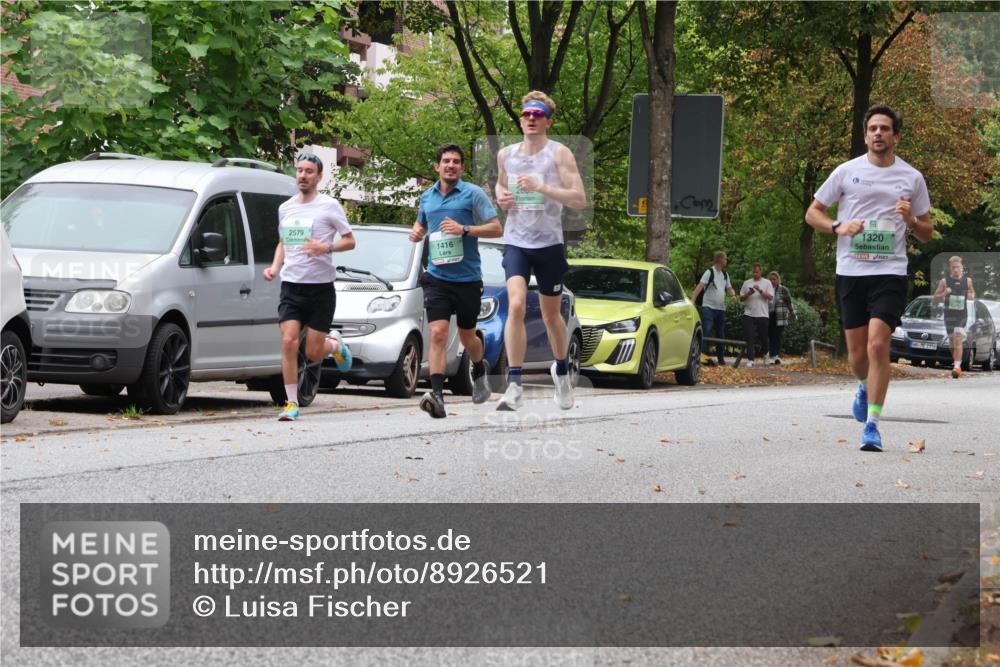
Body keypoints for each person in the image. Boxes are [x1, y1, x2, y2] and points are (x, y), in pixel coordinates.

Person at [806, 104, 933, 452]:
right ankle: (863, 384)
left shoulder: (912, 178)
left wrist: (910, 220)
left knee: (879, 345)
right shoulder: (846, 172)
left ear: (896, 136)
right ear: (865, 135)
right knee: (857, 356)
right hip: (851, 271)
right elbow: (812, 213)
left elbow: (926, 233)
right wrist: (838, 226)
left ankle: (872, 425)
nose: (878, 133)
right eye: (873, 128)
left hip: (889, 272)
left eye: (885, 128)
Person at [494, 90, 588, 411]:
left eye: (537, 115)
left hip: (549, 244)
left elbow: (579, 199)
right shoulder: (506, 154)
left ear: (548, 121)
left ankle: (561, 371)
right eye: (526, 115)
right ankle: (515, 383)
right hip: (517, 241)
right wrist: (501, 197)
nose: (531, 119)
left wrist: (543, 187)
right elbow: (500, 184)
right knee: (516, 305)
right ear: (520, 120)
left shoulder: (559, 154)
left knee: (551, 316)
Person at [410, 144, 503, 418]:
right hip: (437, 278)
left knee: (467, 335)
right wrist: (417, 232)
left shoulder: (473, 194)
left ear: (461, 168)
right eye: (445, 161)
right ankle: (437, 396)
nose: (450, 165)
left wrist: (465, 229)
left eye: (456, 162)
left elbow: (496, 228)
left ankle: (480, 364)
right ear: (437, 167)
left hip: (467, 280)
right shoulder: (427, 197)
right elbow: (423, 225)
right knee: (438, 333)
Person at [263, 152, 356, 421]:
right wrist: (274, 267)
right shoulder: (286, 208)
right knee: (289, 341)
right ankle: (291, 404)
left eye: (309, 171)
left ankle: (335, 345)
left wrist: (324, 246)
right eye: (300, 170)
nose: (303, 175)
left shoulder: (329, 206)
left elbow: (350, 241)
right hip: (291, 285)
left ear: (319, 176)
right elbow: (283, 242)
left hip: (320, 289)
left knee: (313, 352)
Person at [690, 251, 737, 366]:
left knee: (721, 334)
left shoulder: (725, 275)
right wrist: (693, 300)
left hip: (721, 309)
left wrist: (733, 295)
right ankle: (703, 358)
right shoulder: (709, 272)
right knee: (707, 330)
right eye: (725, 259)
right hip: (709, 308)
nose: (726, 261)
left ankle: (720, 358)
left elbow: (729, 287)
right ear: (720, 260)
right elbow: (700, 286)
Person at [933, 255, 975, 378]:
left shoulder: (968, 281)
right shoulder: (944, 281)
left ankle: (957, 367)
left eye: (958, 267)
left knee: (958, 339)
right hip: (949, 315)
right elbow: (936, 298)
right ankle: (956, 362)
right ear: (950, 269)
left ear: (962, 267)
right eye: (953, 267)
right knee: (952, 342)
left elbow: (972, 292)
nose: (956, 269)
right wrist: (944, 293)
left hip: (961, 315)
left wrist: (970, 295)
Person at [739, 263, 773, 366]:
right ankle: (751, 359)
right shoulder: (746, 283)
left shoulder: (767, 283)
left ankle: (766, 355)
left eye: (757, 271)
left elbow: (771, 297)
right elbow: (741, 298)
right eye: (753, 272)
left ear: (761, 272)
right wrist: (749, 293)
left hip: (762, 314)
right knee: (749, 337)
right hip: (749, 314)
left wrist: (760, 290)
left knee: (763, 337)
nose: (755, 273)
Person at [767, 271, 796, 365]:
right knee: (771, 336)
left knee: (777, 336)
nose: (772, 281)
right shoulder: (767, 289)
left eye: (774, 279)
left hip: (780, 316)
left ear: (778, 280)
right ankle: (772, 355)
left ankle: (776, 356)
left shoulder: (784, 289)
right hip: (769, 315)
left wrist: (793, 313)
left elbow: (789, 303)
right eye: (771, 279)